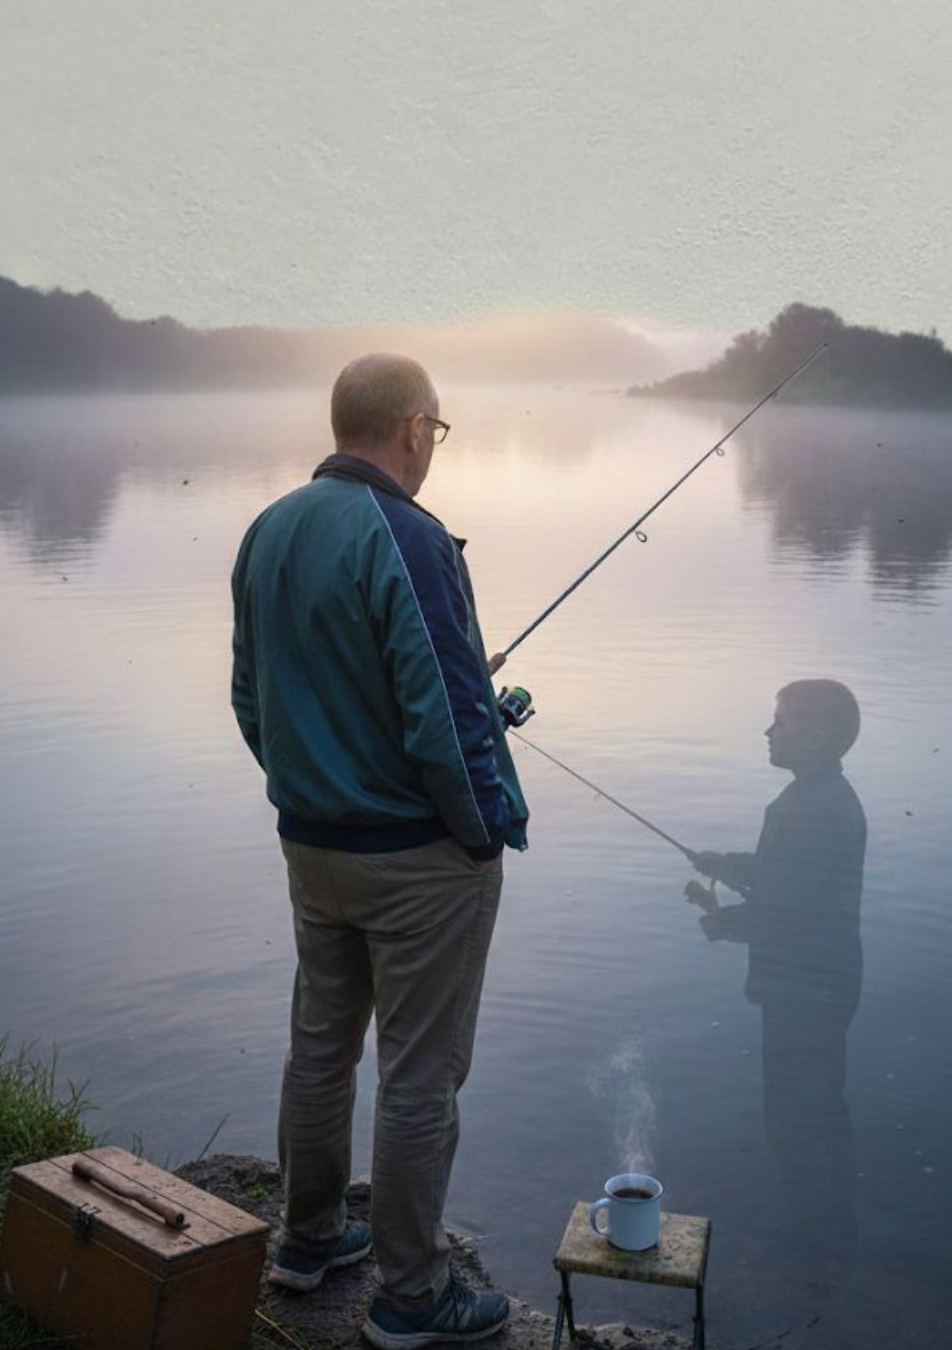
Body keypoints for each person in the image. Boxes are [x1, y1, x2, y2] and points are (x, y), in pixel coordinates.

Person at [231, 354, 528, 1348]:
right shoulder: (410, 536)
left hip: (311, 846)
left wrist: (312, 787)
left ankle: (308, 1238)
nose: (432, 448)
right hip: (415, 861)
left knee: (320, 1047)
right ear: (411, 429)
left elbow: (250, 694)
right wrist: (483, 831)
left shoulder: (269, 529)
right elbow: (444, 717)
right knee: (419, 1075)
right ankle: (413, 1296)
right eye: (435, 432)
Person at [686, 680, 865, 1269]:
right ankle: (832, 1225)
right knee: (821, 1108)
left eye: (780, 723)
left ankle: (811, 1241)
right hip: (821, 982)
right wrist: (726, 866)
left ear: (816, 738)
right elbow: (782, 877)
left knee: (794, 1115)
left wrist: (722, 923)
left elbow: (788, 909)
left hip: (805, 988)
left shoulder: (813, 808)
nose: (768, 732)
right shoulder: (819, 798)